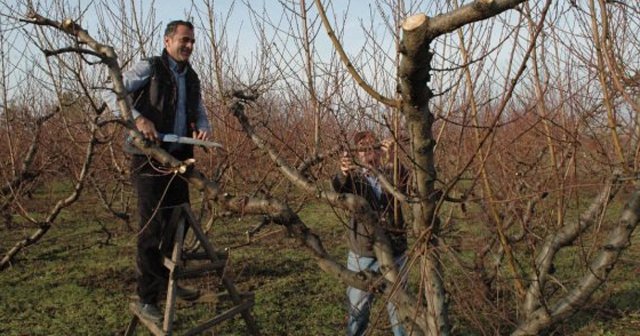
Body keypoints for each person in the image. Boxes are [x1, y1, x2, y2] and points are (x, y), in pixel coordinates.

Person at [103, 20, 211, 323]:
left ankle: (165, 280)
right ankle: (147, 296)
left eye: (192, 41)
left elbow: (200, 112)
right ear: (167, 41)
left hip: (179, 159)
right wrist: (138, 120)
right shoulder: (149, 68)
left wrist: (203, 127)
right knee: (151, 227)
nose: (189, 46)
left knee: (180, 223)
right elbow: (114, 93)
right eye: (184, 40)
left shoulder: (192, 77)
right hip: (149, 157)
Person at [331, 130, 409, 336]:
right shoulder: (354, 179)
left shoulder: (389, 172)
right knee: (358, 309)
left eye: (372, 147)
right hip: (363, 253)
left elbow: (406, 183)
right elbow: (340, 187)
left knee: (400, 308)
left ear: (378, 150)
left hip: (396, 250)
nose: (368, 153)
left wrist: (393, 158)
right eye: (362, 149)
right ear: (358, 155)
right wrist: (343, 172)